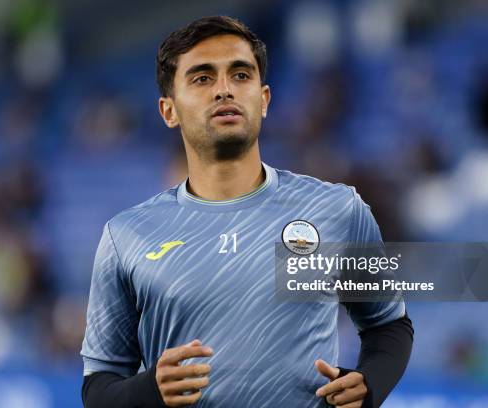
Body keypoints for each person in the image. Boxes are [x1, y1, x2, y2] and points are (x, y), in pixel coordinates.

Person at [80, 16, 413, 408]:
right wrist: (149, 390)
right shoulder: (126, 236)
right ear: (168, 110)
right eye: (202, 78)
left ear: (264, 99)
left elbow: (388, 325)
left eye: (240, 75)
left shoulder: (337, 210)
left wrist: (368, 383)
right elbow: (98, 387)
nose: (224, 89)